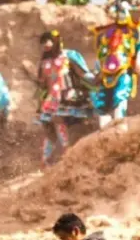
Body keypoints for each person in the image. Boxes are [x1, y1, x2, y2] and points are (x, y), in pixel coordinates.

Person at [90, 0, 140, 129]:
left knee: (121, 93)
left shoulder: (135, 29)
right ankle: (104, 126)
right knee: (100, 98)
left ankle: (120, 123)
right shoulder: (107, 31)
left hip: (124, 67)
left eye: (124, 8)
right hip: (106, 69)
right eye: (118, 9)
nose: (121, 13)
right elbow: (100, 51)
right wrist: (98, 67)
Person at [35, 30, 95, 165]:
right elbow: (41, 85)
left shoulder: (68, 56)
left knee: (61, 121)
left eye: (48, 41)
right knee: (49, 130)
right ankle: (45, 160)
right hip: (50, 98)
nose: (46, 44)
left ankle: (68, 153)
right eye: (43, 42)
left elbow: (82, 73)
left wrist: (96, 81)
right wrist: (39, 104)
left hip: (68, 96)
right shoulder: (44, 62)